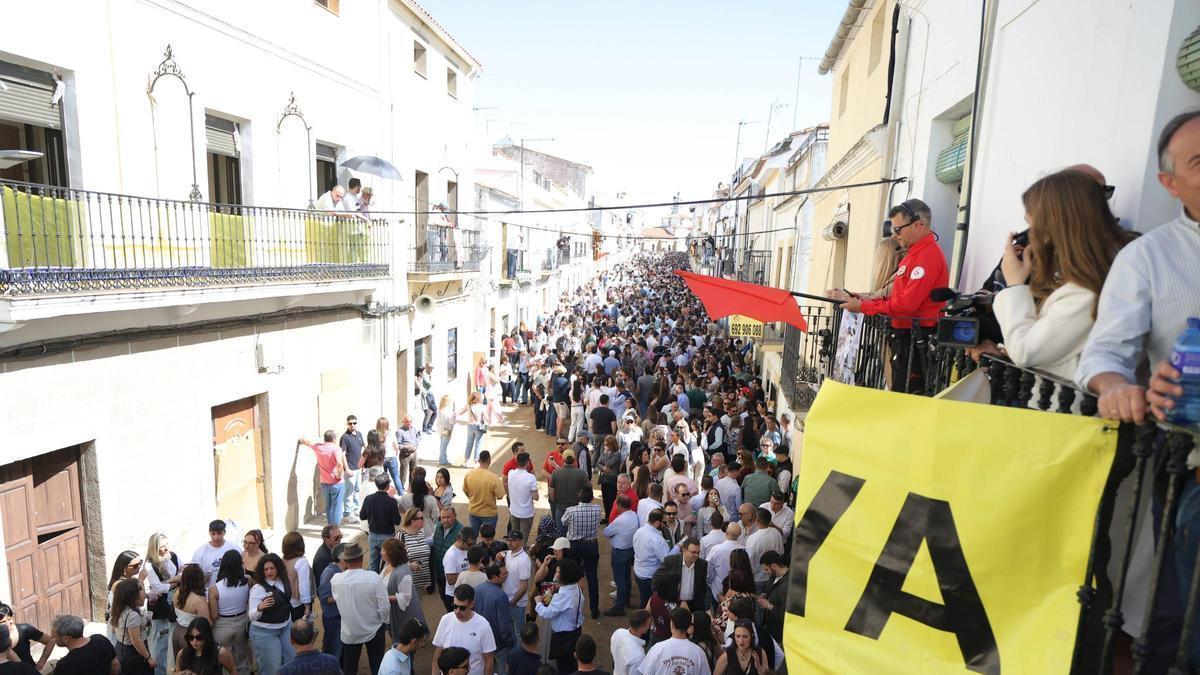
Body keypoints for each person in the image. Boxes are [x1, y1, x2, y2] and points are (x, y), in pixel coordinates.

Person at [977, 170, 1134, 379]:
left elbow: (1027, 352)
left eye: (1033, 224)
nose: (1031, 234)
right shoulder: (1084, 272)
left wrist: (1015, 284)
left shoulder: (1087, 287)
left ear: (1056, 223)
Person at [830, 198, 949, 394]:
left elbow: (906, 306)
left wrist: (864, 307)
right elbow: (893, 295)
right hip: (905, 340)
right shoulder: (913, 255)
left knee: (907, 396)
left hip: (916, 340)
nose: (894, 235)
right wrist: (859, 299)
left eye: (898, 229)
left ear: (919, 225)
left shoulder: (927, 257)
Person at [330, 543, 390, 675]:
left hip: (349, 631)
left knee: (350, 667)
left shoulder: (335, 580)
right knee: (377, 665)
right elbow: (385, 607)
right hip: (373, 628)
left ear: (345, 561)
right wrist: (382, 621)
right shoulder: (373, 577)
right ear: (362, 559)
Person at [535, 558, 585, 675]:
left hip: (563, 637)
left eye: (558, 572)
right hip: (575, 631)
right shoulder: (575, 587)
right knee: (572, 663)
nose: (556, 575)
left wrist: (538, 602)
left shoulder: (563, 596)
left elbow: (546, 613)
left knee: (563, 667)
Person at [432, 585, 497, 675]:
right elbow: (437, 655)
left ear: (472, 604)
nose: (457, 611)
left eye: (462, 608)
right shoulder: (445, 620)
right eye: (455, 606)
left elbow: (489, 660)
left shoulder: (483, 625)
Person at [561, 486, 603, 620]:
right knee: (592, 576)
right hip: (591, 545)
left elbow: (563, 522)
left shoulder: (571, 510)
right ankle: (594, 609)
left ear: (579, 496)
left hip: (574, 546)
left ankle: (572, 606)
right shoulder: (597, 509)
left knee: (572, 577)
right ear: (592, 497)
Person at [249, 554, 294, 675]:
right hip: (264, 632)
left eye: (272, 568)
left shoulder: (284, 580)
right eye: (265, 569)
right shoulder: (258, 588)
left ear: (278, 568)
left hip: (286, 626)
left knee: (291, 661)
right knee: (272, 668)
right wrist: (260, 607)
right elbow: (251, 615)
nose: (269, 572)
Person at [208, 550, 251, 675]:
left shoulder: (215, 589)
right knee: (242, 660)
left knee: (224, 661)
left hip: (222, 625)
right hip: (242, 623)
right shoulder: (247, 581)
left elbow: (214, 615)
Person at [143, 533, 179, 675]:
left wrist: (169, 582)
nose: (165, 548)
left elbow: (182, 571)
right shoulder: (150, 564)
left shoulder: (173, 556)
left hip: (174, 602)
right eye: (161, 545)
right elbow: (158, 588)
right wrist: (175, 582)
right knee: (159, 642)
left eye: (166, 544)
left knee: (171, 640)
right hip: (160, 606)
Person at [637, 608, 710, 675]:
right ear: (688, 626)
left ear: (672, 624)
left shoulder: (657, 649)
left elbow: (646, 673)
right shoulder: (699, 653)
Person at [474, 563, 517, 675]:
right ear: (494, 577)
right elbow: (505, 626)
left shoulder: (478, 589)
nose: (507, 575)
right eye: (504, 573)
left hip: (483, 640)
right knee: (505, 670)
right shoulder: (500, 596)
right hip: (499, 643)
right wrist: (512, 643)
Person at [300, 433, 348, 526]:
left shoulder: (318, 447)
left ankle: (330, 527)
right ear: (334, 439)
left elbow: (308, 443)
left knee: (329, 506)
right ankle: (335, 529)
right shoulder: (336, 448)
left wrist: (302, 440)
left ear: (325, 439)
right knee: (337, 507)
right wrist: (340, 475)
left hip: (324, 482)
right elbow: (339, 463)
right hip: (336, 482)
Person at [110, 577, 155, 674]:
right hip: (133, 654)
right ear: (133, 596)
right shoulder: (132, 615)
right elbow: (137, 642)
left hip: (121, 648)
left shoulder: (118, 608)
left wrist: (144, 622)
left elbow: (115, 629)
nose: (144, 594)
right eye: (142, 590)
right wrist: (149, 658)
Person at [48, 613, 119, 675]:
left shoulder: (64, 665)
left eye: (54, 636)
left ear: (66, 638)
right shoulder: (100, 640)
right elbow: (115, 665)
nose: (52, 638)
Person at [603, 494, 639, 616]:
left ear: (619, 506)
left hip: (620, 552)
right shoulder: (634, 515)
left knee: (620, 579)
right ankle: (626, 600)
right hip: (630, 549)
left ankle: (619, 606)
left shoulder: (620, 520)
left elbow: (606, 532)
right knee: (626, 576)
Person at [362, 474, 403, 572]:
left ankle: (373, 583)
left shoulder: (368, 499)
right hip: (387, 536)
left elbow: (362, 516)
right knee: (389, 563)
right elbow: (397, 521)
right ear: (388, 486)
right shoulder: (392, 501)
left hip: (372, 534)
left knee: (373, 563)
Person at [633, 510, 673, 609]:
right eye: (664, 522)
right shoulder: (657, 539)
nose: (666, 524)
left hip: (639, 572)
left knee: (644, 600)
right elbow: (667, 560)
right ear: (657, 523)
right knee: (652, 604)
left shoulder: (639, 531)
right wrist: (677, 548)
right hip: (650, 577)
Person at [654, 538, 707, 612]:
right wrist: (665, 600)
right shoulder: (671, 561)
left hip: (693, 605)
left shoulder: (703, 565)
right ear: (684, 550)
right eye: (693, 552)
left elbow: (702, 587)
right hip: (675, 604)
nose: (696, 555)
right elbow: (656, 581)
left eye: (698, 552)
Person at [172, 564, 212, 658]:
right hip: (192, 637)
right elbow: (207, 623)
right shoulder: (199, 601)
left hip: (177, 632)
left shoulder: (177, 592)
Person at [317, 543, 347, 661]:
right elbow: (325, 597)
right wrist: (345, 596)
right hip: (333, 619)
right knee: (334, 651)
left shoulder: (343, 570)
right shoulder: (329, 572)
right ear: (341, 557)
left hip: (341, 618)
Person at [464, 450, 507, 532]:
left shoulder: (469, 474)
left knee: (473, 537)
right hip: (489, 513)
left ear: (479, 460)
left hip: (474, 511)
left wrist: (473, 499)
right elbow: (500, 496)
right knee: (488, 538)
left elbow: (466, 491)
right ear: (489, 461)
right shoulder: (494, 478)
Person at [0, 602, 51, 671]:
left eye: (9, 619)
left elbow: (51, 640)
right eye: (2, 622)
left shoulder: (24, 629)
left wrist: (40, 664)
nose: (8, 624)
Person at [431, 507, 464, 612]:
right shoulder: (438, 527)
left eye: (448, 517)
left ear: (455, 516)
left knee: (455, 601)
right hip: (440, 572)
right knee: (444, 598)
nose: (445, 520)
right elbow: (432, 540)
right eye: (443, 517)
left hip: (453, 575)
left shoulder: (461, 531)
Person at [499, 531, 532, 633]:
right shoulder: (508, 554)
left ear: (521, 542)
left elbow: (524, 586)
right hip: (506, 600)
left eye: (513, 540)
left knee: (519, 632)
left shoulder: (524, 560)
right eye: (508, 540)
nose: (510, 543)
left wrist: (512, 602)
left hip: (517, 603)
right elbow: (505, 553)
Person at [755, 551, 788, 649]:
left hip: (780, 634)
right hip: (771, 628)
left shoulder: (787, 585)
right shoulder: (773, 577)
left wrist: (768, 605)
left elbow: (785, 615)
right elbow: (769, 590)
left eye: (766, 569)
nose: (766, 572)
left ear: (774, 566)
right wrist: (765, 595)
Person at [397, 508, 433, 594]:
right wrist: (409, 565)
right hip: (408, 582)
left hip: (421, 581)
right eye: (421, 518)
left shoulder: (420, 533)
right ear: (413, 521)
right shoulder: (401, 535)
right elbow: (396, 559)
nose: (424, 520)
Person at [192, 520, 239, 586]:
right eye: (213, 534)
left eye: (219, 533)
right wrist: (202, 580)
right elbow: (193, 576)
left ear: (224, 532)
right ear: (209, 533)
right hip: (208, 591)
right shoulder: (200, 553)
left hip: (231, 590)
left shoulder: (234, 548)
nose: (216, 537)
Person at [400, 467, 441, 539]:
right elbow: (436, 516)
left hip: (409, 526)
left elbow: (401, 510)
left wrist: (410, 514)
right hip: (427, 529)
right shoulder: (431, 499)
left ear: (412, 485)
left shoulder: (404, 498)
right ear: (424, 486)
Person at [549, 451, 588, 526]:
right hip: (576, 508)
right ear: (574, 459)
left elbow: (551, 492)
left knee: (561, 534)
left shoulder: (556, 472)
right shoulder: (581, 473)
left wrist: (555, 503)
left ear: (563, 459)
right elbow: (587, 490)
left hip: (561, 507)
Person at [443, 527, 478, 611]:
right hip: (454, 596)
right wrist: (470, 571)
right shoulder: (451, 555)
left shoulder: (466, 549)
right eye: (469, 544)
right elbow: (450, 580)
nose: (471, 547)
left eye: (473, 544)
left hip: (465, 593)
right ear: (459, 540)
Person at [507, 452, 540, 540]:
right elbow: (536, 498)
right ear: (527, 462)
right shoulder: (531, 477)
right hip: (526, 513)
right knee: (523, 539)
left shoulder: (511, 473)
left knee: (514, 538)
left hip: (514, 511)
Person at [280, 533, 313, 623]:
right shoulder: (302, 562)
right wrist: (307, 607)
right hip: (298, 604)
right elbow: (304, 586)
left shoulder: (282, 560)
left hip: (285, 602)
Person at [340, 415, 366, 519]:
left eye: (354, 423)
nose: (352, 425)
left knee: (357, 489)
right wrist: (346, 469)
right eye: (350, 423)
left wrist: (363, 465)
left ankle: (356, 509)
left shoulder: (359, 434)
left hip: (359, 468)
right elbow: (342, 454)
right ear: (347, 424)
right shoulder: (345, 437)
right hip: (350, 469)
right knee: (349, 491)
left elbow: (363, 450)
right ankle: (347, 512)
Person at [610, 610, 650, 675]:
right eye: (649, 623)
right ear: (644, 627)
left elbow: (612, 652)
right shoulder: (638, 656)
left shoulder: (618, 632)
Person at [458, 391, 488, 465]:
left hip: (470, 426)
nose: (482, 399)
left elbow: (459, 412)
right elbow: (487, 418)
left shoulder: (468, 406)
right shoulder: (482, 407)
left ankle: (466, 461)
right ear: (478, 399)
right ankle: (476, 461)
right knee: (478, 444)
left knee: (469, 443)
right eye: (481, 398)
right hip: (478, 427)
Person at [312, 525, 343, 590]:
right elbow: (321, 586)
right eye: (336, 538)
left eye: (341, 536)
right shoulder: (321, 559)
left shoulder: (334, 548)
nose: (339, 540)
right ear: (326, 539)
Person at [396, 416, 421, 494]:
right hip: (405, 455)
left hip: (414, 453)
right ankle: (401, 489)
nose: (409, 423)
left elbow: (418, 438)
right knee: (404, 472)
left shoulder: (414, 429)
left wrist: (416, 445)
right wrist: (407, 447)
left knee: (413, 471)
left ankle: (411, 487)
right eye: (407, 422)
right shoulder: (399, 431)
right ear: (403, 422)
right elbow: (399, 445)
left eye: (410, 421)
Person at [436, 394, 457, 466]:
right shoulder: (447, 411)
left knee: (442, 444)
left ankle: (443, 458)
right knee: (444, 446)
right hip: (446, 429)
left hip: (440, 429)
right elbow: (451, 421)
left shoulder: (440, 410)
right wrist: (454, 417)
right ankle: (442, 460)